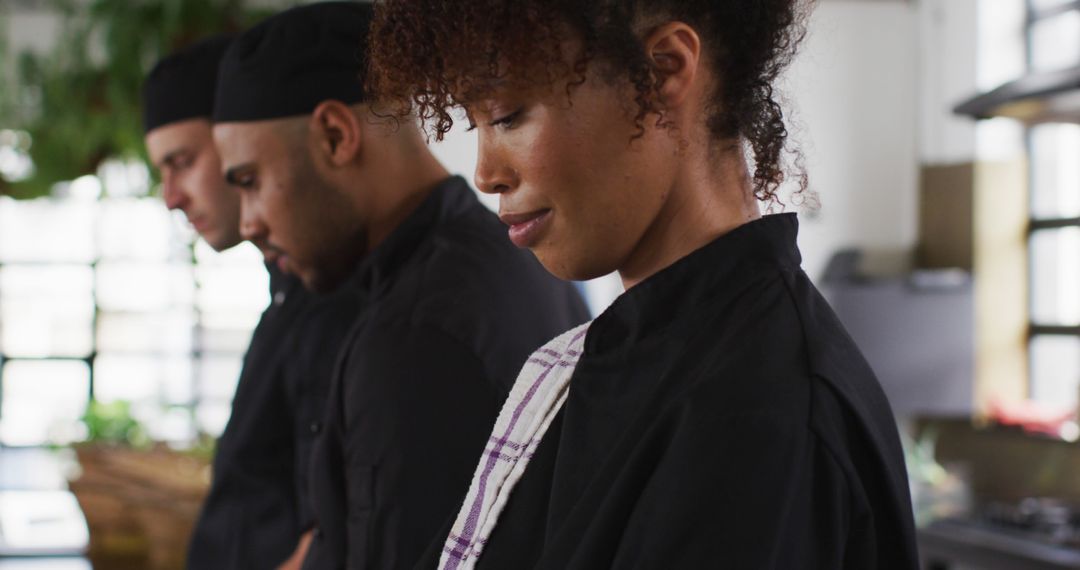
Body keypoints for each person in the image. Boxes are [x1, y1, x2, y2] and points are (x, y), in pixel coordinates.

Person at [367, 1, 921, 568]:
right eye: (474, 121)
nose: (487, 173)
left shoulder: (760, 415)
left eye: (507, 115)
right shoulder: (607, 360)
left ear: (663, 71)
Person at [209, 3, 591, 568]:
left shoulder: (416, 333)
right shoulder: (499, 260)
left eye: (250, 181)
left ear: (336, 136)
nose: (248, 222)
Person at [143, 35, 360, 569]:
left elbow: (330, 530)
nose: (170, 195)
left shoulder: (334, 293)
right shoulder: (287, 291)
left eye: (183, 161)